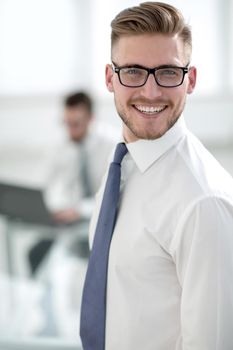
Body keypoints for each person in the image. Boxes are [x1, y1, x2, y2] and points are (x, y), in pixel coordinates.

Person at [80, 2, 233, 350]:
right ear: (109, 77)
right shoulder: (121, 161)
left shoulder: (204, 204)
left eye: (168, 72)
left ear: (190, 80)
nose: (151, 92)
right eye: (133, 71)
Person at [28, 91, 114, 273]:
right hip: (69, 220)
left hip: (103, 217)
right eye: (67, 123)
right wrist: (52, 207)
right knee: (35, 254)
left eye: (76, 124)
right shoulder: (60, 145)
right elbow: (41, 182)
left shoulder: (111, 144)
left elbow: (112, 195)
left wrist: (80, 210)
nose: (70, 130)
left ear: (91, 119)